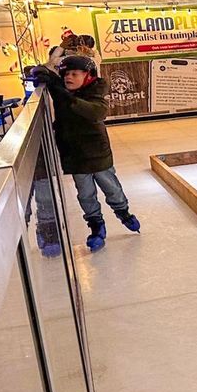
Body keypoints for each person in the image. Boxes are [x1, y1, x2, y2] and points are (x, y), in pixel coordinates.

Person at [33, 55, 140, 252]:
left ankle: (123, 212)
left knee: (111, 188)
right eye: (66, 74)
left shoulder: (95, 91)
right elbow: (46, 72)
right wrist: (38, 72)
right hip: (75, 157)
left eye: (74, 74)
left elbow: (96, 113)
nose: (68, 77)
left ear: (88, 76)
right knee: (85, 195)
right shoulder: (61, 89)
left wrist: (66, 96)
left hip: (98, 155)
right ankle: (96, 226)